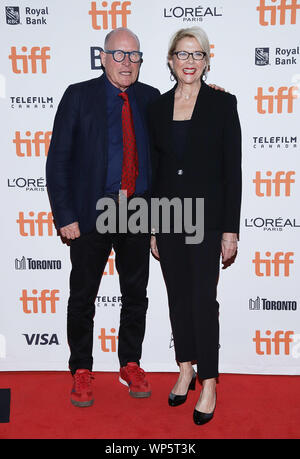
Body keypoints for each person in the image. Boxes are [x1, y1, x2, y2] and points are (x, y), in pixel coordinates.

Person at [46, 27, 160, 406]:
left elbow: (167, 153)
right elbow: (58, 160)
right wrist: (65, 214)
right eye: (120, 54)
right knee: (83, 295)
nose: (127, 63)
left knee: (136, 295)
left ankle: (130, 363)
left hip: (138, 208)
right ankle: (81, 367)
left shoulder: (151, 98)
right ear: (103, 57)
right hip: (92, 210)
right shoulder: (79, 96)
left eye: (134, 56)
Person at [148, 26, 242, 425]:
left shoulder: (223, 104)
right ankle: (185, 366)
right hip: (168, 218)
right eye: (182, 54)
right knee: (177, 298)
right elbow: (154, 172)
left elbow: (231, 172)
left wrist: (229, 229)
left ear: (206, 61)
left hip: (206, 220)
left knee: (203, 300)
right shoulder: (157, 107)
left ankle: (208, 380)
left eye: (197, 54)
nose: (189, 61)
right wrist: (152, 225)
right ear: (170, 61)